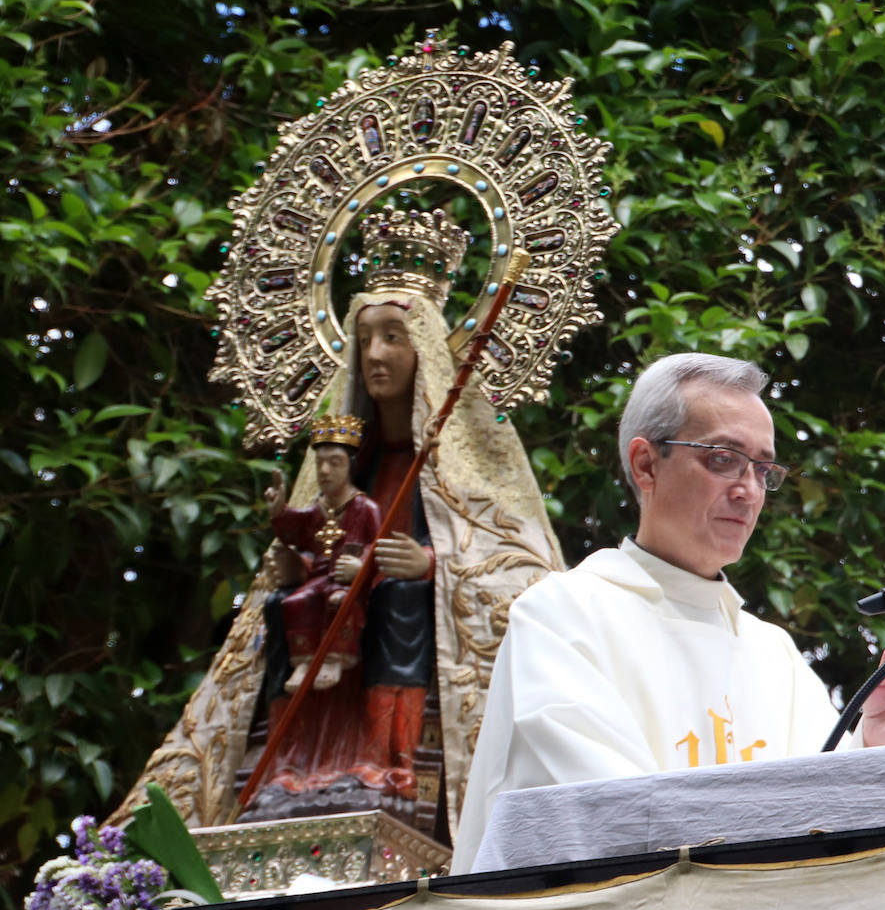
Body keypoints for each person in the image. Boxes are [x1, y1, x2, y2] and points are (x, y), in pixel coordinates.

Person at [116, 207, 563, 845]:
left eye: (394, 336)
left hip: (403, 652)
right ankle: (292, 767)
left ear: (429, 350)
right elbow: (306, 539)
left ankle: (391, 763)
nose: (376, 354)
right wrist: (292, 566)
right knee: (283, 606)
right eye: (366, 339)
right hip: (327, 643)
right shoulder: (345, 469)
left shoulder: (464, 470)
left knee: (399, 597)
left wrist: (431, 567)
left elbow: (521, 576)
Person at [454, 352, 885, 872]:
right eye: (722, 459)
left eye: (763, 469)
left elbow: (817, 807)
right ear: (646, 464)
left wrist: (866, 742)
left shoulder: (770, 651)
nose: (749, 490)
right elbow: (605, 817)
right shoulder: (564, 615)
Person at [264, 414, 381, 695]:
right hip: (317, 578)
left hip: (346, 582)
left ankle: (335, 657)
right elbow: (295, 530)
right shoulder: (317, 509)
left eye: (334, 463)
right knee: (296, 601)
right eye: (320, 464)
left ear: (350, 467)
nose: (325, 470)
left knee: (339, 601)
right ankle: (304, 662)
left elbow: (376, 546)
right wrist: (279, 511)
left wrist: (361, 567)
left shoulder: (365, 508)